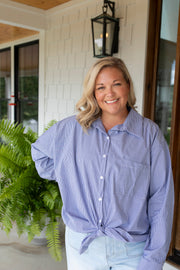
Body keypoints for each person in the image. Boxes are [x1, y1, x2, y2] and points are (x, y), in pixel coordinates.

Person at [31, 57, 174, 270]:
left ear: (127, 86)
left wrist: (153, 260)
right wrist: (71, 175)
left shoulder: (149, 134)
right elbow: (39, 154)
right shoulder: (71, 129)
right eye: (101, 87)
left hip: (132, 250)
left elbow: (161, 199)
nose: (110, 93)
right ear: (93, 93)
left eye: (116, 84)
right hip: (83, 247)